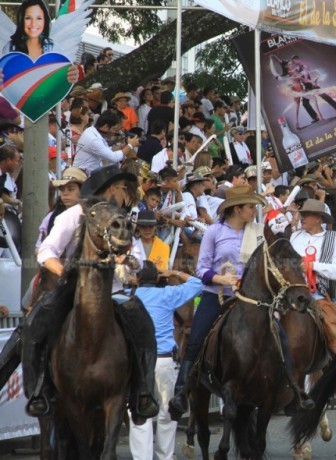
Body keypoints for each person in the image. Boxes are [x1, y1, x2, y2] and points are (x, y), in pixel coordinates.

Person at [0, 165, 158, 421]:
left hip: (114, 291)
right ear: (112, 189)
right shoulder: (73, 215)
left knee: (143, 325)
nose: (127, 195)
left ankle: (143, 392)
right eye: (124, 189)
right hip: (72, 289)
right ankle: (37, 390)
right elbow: (46, 251)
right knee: (33, 325)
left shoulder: (121, 219)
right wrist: (65, 273)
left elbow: (137, 258)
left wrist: (127, 261)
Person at [168, 185, 312, 420]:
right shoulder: (214, 232)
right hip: (216, 293)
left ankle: (294, 390)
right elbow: (201, 268)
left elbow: (270, 263)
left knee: (281, 337)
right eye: (251, 207)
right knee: (197, 338)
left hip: (251, 298)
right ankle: (182, 391)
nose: (255, 211)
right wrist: (221, 279)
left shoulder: (259, 232)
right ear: (237, 209)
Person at [127, 262, 202, 460]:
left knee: (138, 412)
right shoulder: (167, 294)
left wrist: (127, 280)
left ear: (137, 280)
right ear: (158, 278)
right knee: (167, 413)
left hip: (137, 364)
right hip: (165, 361)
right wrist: (174, 272)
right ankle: (165, 456)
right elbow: (197, 284)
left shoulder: (127, 297)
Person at [289, 199, 336, 355]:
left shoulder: (334, 240)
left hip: (319, 293)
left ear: (319, 218)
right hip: (290, 291)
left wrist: (313, 266)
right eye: (302, 214)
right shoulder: (294, 237)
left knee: (331, 330)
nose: (302, 218)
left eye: (306, 215)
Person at [72, 111, 140, 173]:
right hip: (81, 175)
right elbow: (114, 158)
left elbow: (106, 151)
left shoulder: (92, 131)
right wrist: (130, 145)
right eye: (114, 129)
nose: (115, 133)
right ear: (106, 127)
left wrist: (122, 146)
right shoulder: (93, 139)